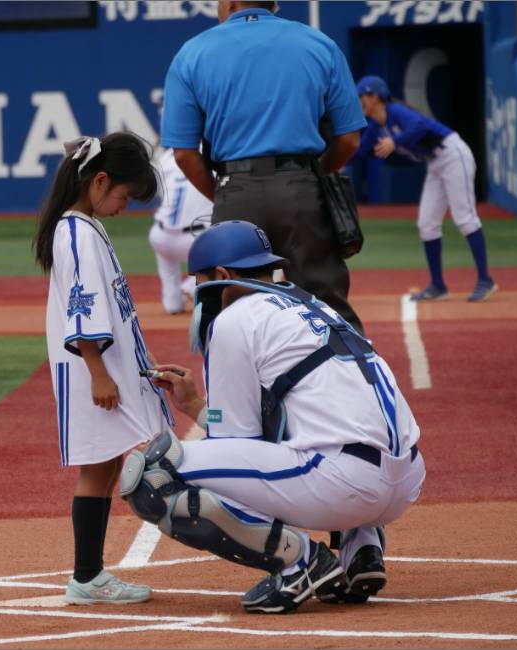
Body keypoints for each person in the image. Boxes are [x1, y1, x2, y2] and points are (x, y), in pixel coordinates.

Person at [118, 220, 425, 614]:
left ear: (222, 276)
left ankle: (299, 563)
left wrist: (202, 415)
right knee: (315, 428)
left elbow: (236, 441)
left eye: (200, 279)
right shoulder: (310, 304)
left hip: (347, 483)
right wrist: (196, 404)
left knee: (151, 472)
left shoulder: (234, 318)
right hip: (405, 480)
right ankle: (360, 548)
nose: (197, 290)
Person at [161, 0, 367, 333]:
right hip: (303, 191)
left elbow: (184, 153)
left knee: (231, 313)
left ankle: (240, 386)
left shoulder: (192, 52)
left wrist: (224, 194)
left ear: (229, 3)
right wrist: (316, 175)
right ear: (274, 2)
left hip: (235, 192)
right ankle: (356, 381)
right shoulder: (318, 43)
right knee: (328, 309)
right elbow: (349, 141)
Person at [34, 132, 174, 605]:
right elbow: (83, 307)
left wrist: (143, 361)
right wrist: (97, 370)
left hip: (108, 367)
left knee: (108, 464)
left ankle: (88, 575)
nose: (124, 205)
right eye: (124, 195)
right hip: (93, 370)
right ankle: (87, 577)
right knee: (102, 466)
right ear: (99, 180)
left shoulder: (83, 226)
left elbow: (112, 308)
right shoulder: (74, 231)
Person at [354, 75, 497, 302]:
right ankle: (438, 286)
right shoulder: (375, 128)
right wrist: (332, 162)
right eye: (359, 96)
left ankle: (485, 279)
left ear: (377, 97)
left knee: (465, 218)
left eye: (363, 95)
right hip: (435, 163)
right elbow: (359, 153)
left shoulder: (396, 112)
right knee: (427, 224)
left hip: (452, 154)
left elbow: (419, 125)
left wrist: (395, 142)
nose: (360, 100)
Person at [148, 145, 212, 314]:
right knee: (229, 234)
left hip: (160, 237)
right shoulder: (213, 151)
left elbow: (160, 193)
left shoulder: (168, 156)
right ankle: (192, 285)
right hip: (195, 241)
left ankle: (172, 302)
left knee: (166, 258)